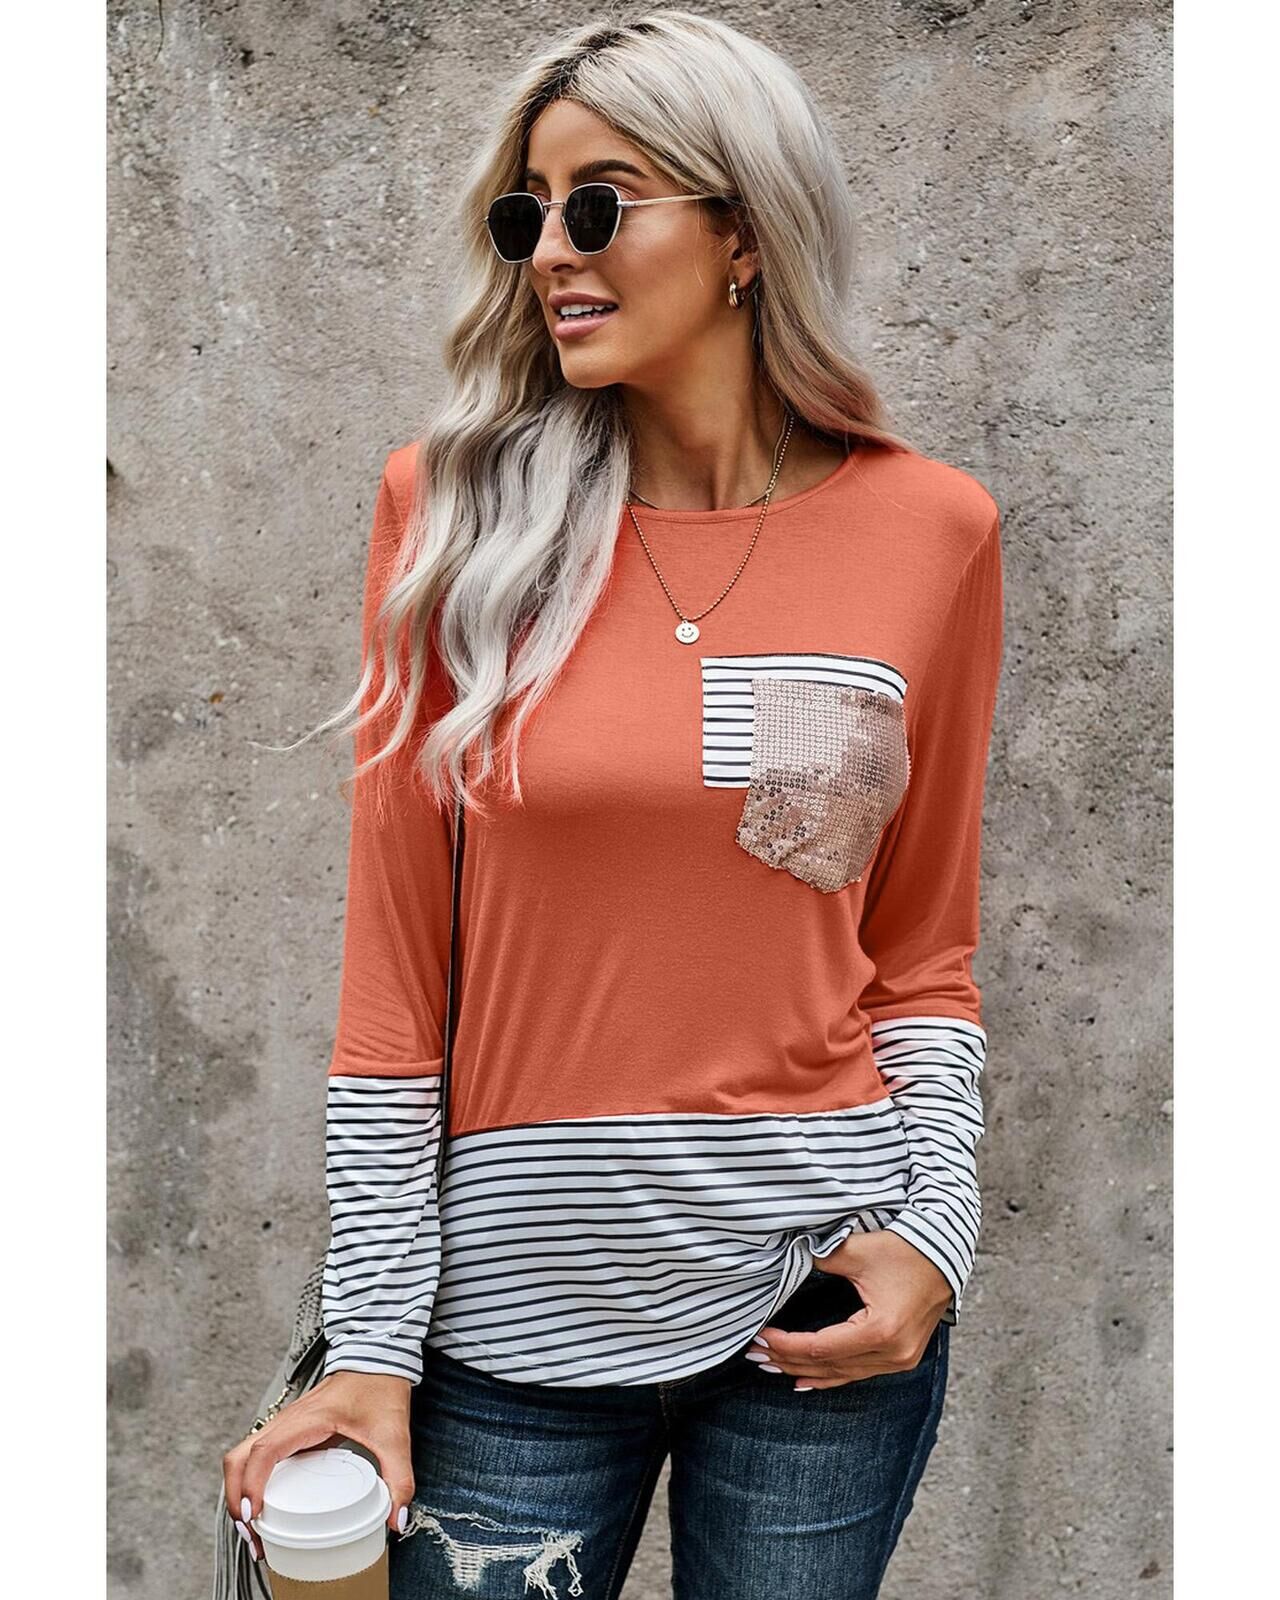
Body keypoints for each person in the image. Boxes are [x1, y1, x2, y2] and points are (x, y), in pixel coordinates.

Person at [222, 10, 1004, 1597]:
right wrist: (370, 1339)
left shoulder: (932, 531)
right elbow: (395, 981)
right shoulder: (451, 518)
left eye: (601, 203)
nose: (552, 253)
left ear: (743, 233)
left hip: (818, 1308)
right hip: (506, 1335)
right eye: (529, 214)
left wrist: (937, 1236)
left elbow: (921, 955)